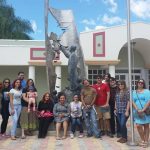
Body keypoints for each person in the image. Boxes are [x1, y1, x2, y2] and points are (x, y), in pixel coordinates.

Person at [132, 79, 150, 148]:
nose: (140, 83)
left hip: (145, 111)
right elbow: (132, 101)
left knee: (146, 126)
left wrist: (143, 109)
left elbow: (148, 101)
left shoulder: (147, 91)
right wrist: (137, 109)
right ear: (137, 83)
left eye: (142, 83)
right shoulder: (134, 92)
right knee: (138, 125)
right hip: (137, 111)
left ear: (143, 84)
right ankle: (142, 139)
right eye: (139, 82)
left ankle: (146, 141)